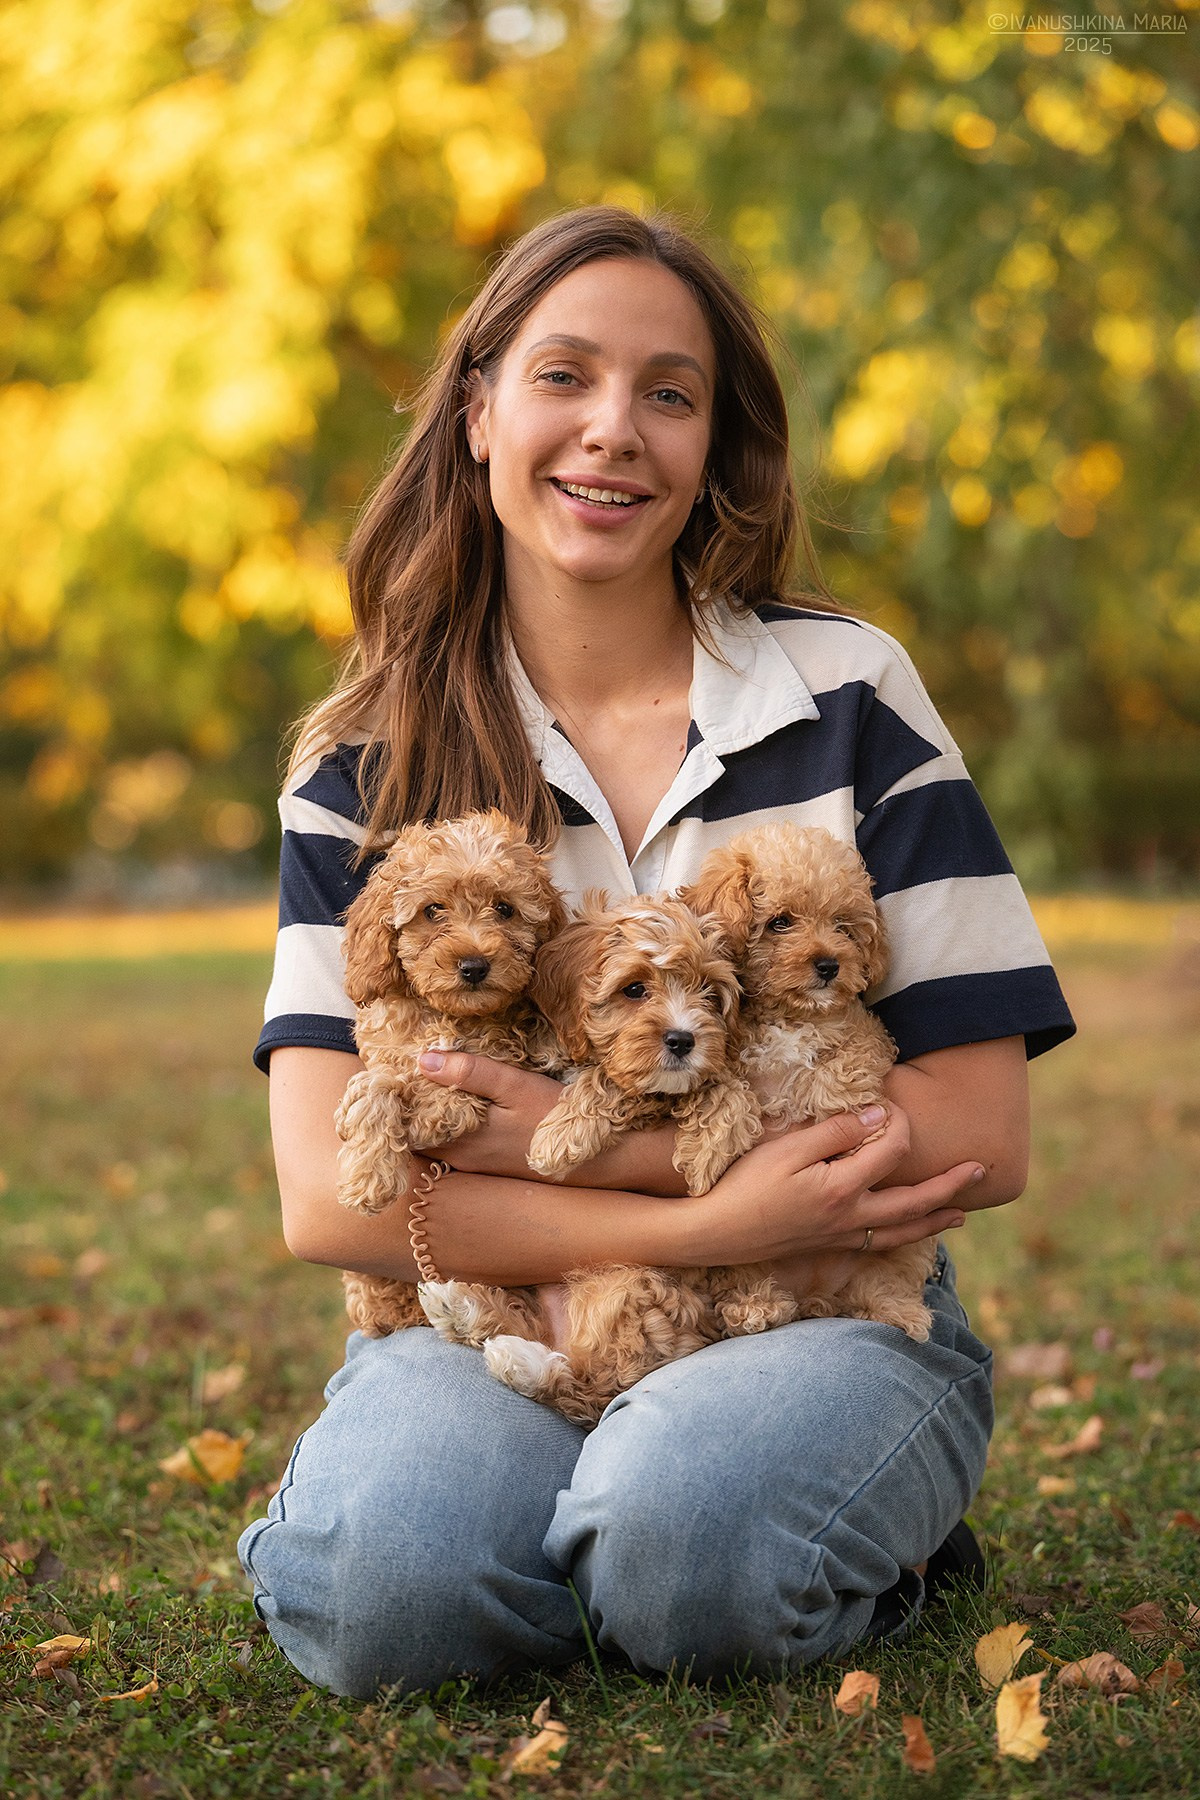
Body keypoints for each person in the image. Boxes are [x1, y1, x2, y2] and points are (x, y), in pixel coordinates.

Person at [237, 207, 1075, 1700]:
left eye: (670, 394)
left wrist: (540, 1152)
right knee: (388, 1598)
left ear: (715, 446)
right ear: (479, 406)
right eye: (565, 375)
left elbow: (980, 1131)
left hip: (821, 1295)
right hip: (484, 1316)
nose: (614, 432)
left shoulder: (850, 691)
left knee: (691, 1558)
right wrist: (699, 1215)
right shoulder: (362, 756)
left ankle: (739, 1517)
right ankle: (604, 1523)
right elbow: (328, 1199)